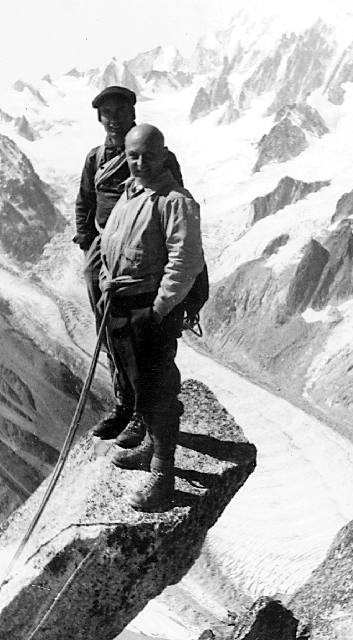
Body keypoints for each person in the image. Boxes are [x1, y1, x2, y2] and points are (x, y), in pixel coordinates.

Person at [98, 123, 204, 511]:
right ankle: (150, 450)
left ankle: (163, 473)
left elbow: (185, 261)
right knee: (137, 382)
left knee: (157, 389)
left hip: (147, 307)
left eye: (148, 155)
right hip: (122, 303)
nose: (140, 163)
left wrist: (159, 309)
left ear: (163, 154)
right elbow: (113, 244)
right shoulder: (131, 193)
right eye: (133, 156)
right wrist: (109, 280)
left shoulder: (175, 201)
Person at [73, 86, 183, 441]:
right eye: (108, 114)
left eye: (120, 112)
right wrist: (91, 244)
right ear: (100, 119)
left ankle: (147, 409)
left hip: (142, 253)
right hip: (105, 249)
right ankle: (125, 404)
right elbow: (85, 203)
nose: (114, 120)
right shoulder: (95, 158)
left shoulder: (154, 154)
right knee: (111, 331)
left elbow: (172, 204)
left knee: (147, 335)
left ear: (132, 114)